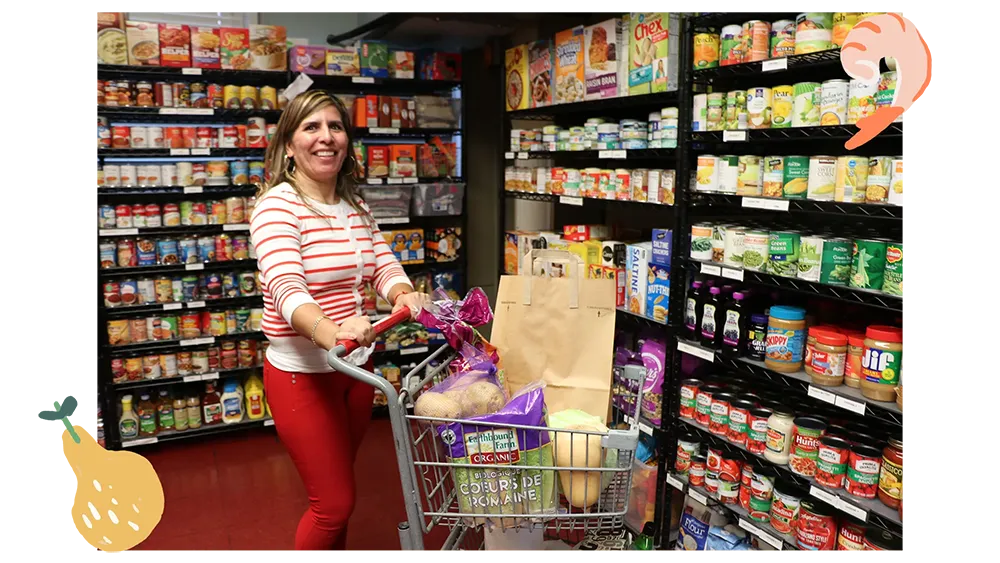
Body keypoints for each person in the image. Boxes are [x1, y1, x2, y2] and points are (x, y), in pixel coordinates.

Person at [249, 90, 430, 552]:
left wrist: (403, 292)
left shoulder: (356, 207)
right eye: (311, 127)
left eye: (335, 127)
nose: (325, 138)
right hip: (302, 376)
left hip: (355, 372)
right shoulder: (277, 207)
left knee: (339, 494)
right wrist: (334, 332)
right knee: (332, 504)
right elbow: (287, 289)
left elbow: (383, 265)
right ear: (288, 144)